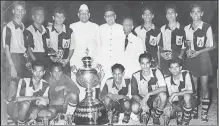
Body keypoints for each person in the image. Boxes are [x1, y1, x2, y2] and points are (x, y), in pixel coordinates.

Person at [184, 4, 216, 122]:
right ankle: (194, 110)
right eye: (194, 12)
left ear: (202, 13)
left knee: (204, 87)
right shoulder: (186, 28)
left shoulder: (207, 27)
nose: (196, 14)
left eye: (198, 12)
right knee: (193, 87)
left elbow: (212, 45)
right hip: (191, 59)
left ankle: (204, 113)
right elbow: (186, 44)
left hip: (203, 58)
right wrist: (188, 51)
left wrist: (199, 52)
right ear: (191, 14)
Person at [69, 4, 101, 102]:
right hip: (77, 63)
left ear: (89, 14)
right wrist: (71, 63)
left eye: (86, 13)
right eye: (82, 13)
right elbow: (71, 46)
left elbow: (99, 46)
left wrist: (98, 62)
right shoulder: (72, 26)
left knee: (92, 89)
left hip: (92, 64)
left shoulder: (95, 27)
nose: (84, 15)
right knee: (78, 88)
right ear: (78, 14)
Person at [2, 1, 31, 102]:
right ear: (13, 11)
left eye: (22, 10)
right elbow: (6, 48)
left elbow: (22, 46)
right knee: (12, 86)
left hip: (21, 58)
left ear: (25, 12)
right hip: (12, 58)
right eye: (17, 10)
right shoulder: (8, 27)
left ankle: (15, 113)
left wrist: (26, 59)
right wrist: (12, 66)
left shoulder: (22, 26)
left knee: (20, 86)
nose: (20, 12)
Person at [7, 60, 50, 125]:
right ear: (32, 71)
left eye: (40, 71)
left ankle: (28, 121)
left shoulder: (45, 85)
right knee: (25, 104)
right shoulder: (24, 81)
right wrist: (37, 97)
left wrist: (36, 111)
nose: (38, 74)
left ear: (44, 72)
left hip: (31, 109)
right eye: (36, 71)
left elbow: (43, 103)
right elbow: (18, 99)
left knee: (48, 114)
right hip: (16, 108)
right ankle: (20, 122)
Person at [131, 53, 167, 125]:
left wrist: (149, 94)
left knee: (163, 95)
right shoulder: (135, 75)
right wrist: (143, 103)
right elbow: (134, 94)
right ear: (140, 64)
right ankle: (143, 112)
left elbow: (163, 88)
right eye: (142, 63)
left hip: (154, 98)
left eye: (147, 63)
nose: (145, 66)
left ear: (150, 63)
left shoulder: (157, 72)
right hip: (142, 97)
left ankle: (156, 116)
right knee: (134, 108)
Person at [42, 6, 75, 77]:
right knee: (51, 84)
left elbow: (72, 47)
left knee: (66, 84)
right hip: (51, 62)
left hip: (64, 63)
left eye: (62, 17)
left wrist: (67, 59)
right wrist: (52, 57)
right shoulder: (47, 30)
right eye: (57, 16)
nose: (60, 19)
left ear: (64, 18)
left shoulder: (69, 31)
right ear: (53, 18)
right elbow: (46, 47)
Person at [163, 58, 197, 125]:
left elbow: (191, 90)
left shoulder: (186, 74)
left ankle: (186, 119)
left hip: (187, 102)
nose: (174, 69)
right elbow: (170, 95)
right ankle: (179, 113)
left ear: (180, 67)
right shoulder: (167, 79)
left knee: (187, 96)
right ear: (169, 69)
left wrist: (175, 93)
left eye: (177, 67)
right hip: (176, 103)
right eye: (172, 67)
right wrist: (168, 104)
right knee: (168, 114)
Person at [99, 5, 125, 90]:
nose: (109, 18)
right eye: (107, 16)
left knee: (117, 86)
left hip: (117, 62)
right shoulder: (100, 28)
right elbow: (98, 45)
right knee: (104, 85)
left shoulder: (121, 28)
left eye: (111, 15)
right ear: (104, 17)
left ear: (115, 16)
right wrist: (99, 61)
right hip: (104, 63)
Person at [24, 6, 51, 80]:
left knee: (47, 82)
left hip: (46, 59)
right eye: (38, 14)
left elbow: (48, 47)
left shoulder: (46, 30)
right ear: (33, 17)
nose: (40, 17)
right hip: (35, 58)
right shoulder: (29, 31)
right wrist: (36, 63)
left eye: (42, 14)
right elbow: (29, 50)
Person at [159, 5, 186, 76]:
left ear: (176, 14)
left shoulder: (183, 28)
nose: (170, 15)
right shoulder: (163, 28)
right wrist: (162, 54)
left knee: (178, 80)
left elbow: (184, 46)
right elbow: (160, 45)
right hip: (166, 59)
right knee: (166, 79)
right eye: (168, 13)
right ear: (166, 16)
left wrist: (179, 57)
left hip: (178, 58)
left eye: (172, 13)